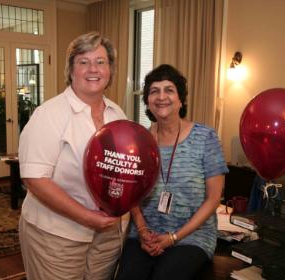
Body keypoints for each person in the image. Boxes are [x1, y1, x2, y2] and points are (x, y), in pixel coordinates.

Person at [18, 32, 126, 280]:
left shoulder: (117, 114)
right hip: (56, 236)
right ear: (71, 70)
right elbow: (35, 179)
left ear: (110, 70)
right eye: (83, 61)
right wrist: (88, 217)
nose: (93, 69)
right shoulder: (49, 115)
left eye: (101, 62)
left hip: (107, 234)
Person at [115, 64, 229, 280]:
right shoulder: (137, 140)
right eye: (154, 91)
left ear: (181, 99)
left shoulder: (205, 138)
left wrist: (173, 237)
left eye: (169, 90)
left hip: (192, 236)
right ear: (148, 100)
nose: (161, 97)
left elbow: (213, 199)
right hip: (144, 234)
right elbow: (130, 194)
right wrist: (141, 230)